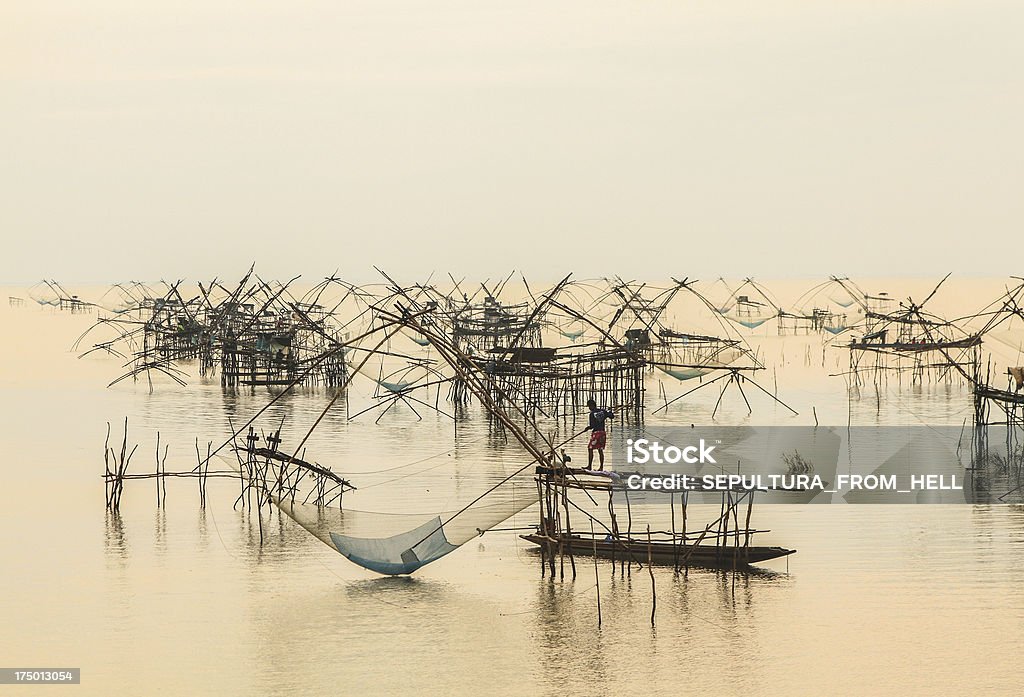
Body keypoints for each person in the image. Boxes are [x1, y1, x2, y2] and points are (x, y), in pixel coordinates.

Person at [584, 398, 614, 471]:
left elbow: (592, 426)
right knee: (600, 450)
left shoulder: (592, 414)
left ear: (591, 406)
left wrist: (587, 428)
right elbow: (611, 416)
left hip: (596, 433)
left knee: (590, 448)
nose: (589, 408)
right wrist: (609, 412)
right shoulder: (603, 411)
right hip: (602, 433)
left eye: (589, 407)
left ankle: (589, 466)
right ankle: (601, 467)